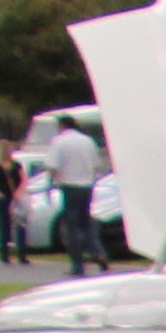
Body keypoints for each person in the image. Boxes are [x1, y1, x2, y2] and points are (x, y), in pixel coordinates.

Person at [44, 112, 104, 274]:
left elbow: (53, 166)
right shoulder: (87, 141)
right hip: (87, 185)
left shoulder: (59, 141)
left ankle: (77, 264)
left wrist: (48, 185)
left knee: (71, 226)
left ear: (62, 126)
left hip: (69, 186)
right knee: (87, 223)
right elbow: (96, 165)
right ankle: (98, 252)